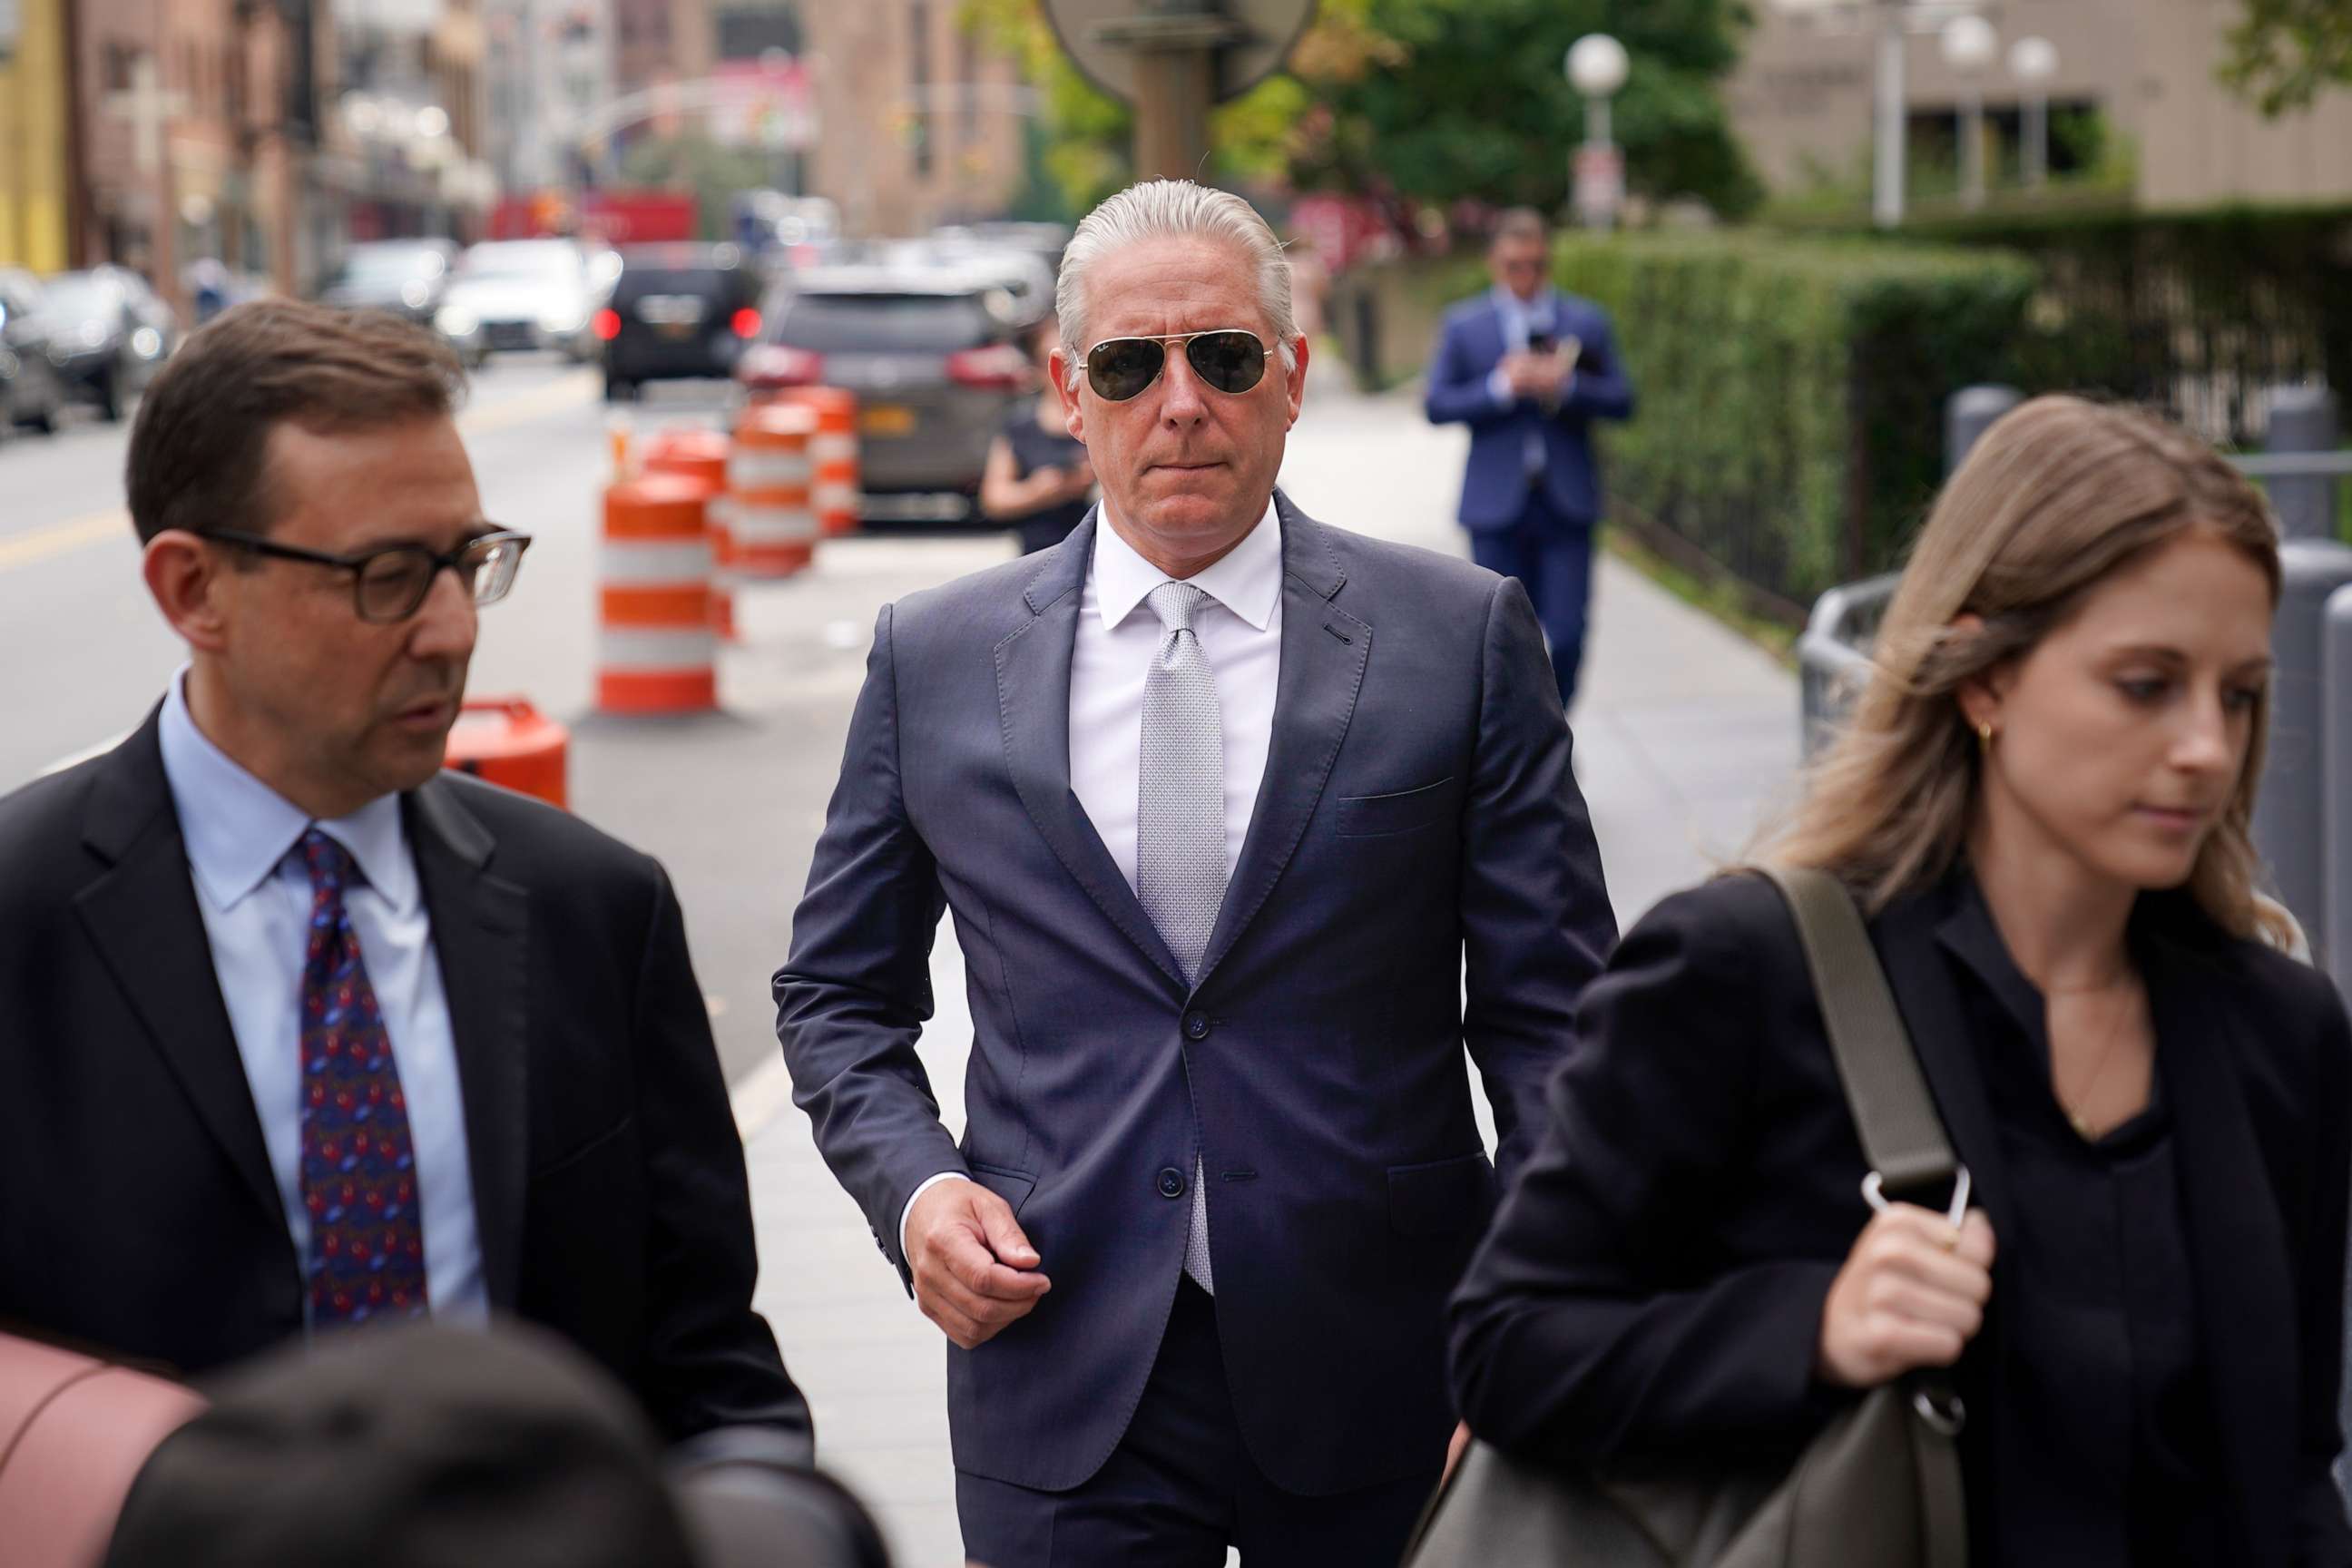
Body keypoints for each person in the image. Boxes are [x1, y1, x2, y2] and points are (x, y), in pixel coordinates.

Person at [776, 178, 1617, 1566]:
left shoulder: (1457, 640)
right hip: (1058, 1360)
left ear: (1288, 381)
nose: (1181, 402)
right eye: (1130, 364)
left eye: (1223, 357)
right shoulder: (931, 659)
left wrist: (1541, 1314)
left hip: (1390, 1366)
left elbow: (1554, 1025)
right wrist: (917, 1194)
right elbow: (836, 997)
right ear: (1068, 391)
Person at [1448, 396, 2352, 1565]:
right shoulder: (1748, 974)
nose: (2207, 748)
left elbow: (2293, 1478)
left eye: (2237, 693)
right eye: (2145, 684)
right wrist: (1811, 1328)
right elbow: (1511, 1349)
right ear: (1983, 679)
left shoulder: (2280, 1032)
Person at [0, 299, 811, 1451]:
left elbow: (710, 1373)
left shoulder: (592, 911)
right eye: (386, 574)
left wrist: (771, 1516)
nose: (447, 629)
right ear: (193, 593)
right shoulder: (22, 923)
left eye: (465, 560)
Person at [1424, 207, 1634, 710]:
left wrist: (1567, 385)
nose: (1526, 276)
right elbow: (1436, 404)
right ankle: (1519, 750)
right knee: (1499, 641)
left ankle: (1554, 735)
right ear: (1496, 263)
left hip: (1566, 503)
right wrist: (1502, 386)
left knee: (1568, 632)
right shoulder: (1466, 325)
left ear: (1548, 263)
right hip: (1496, 506)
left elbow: (1623, 399)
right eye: (1515, 265)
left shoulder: (1584, 320)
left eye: (1536, 265)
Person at [979, 313, 1097, 555]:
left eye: (1072, 362)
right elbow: (994, 498)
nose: (1065, 373)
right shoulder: (1021, 425)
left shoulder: (1102, 418)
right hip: (1037, 554)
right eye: (1053, 362)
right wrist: (1040, 491)